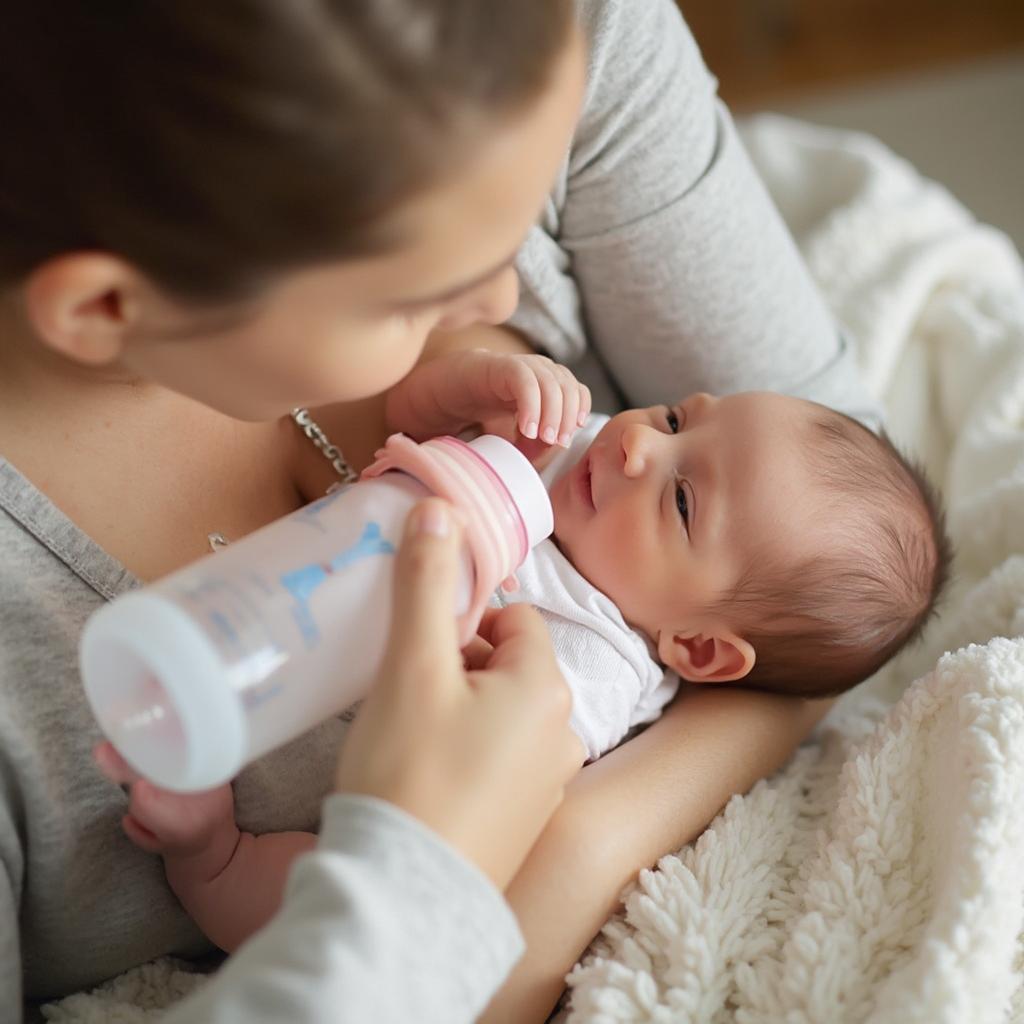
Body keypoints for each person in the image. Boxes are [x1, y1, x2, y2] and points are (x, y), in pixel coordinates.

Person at [0, 1, 882, 1022]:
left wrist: (566, 851)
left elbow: (833, 556)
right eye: (413, 294)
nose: (503, 292)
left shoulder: (541, 33)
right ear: (109, 308)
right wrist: (434, 886)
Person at [94, 353, 951, 956]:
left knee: (332, 894)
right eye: (683, 417)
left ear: (693, 643)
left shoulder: (593, 665)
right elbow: (418, 415)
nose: (639, 445)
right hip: (285, 614)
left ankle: (214, 855)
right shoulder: (585, 450)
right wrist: (478, 385)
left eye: (682, 500)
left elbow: (499, 785)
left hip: (338, 783)